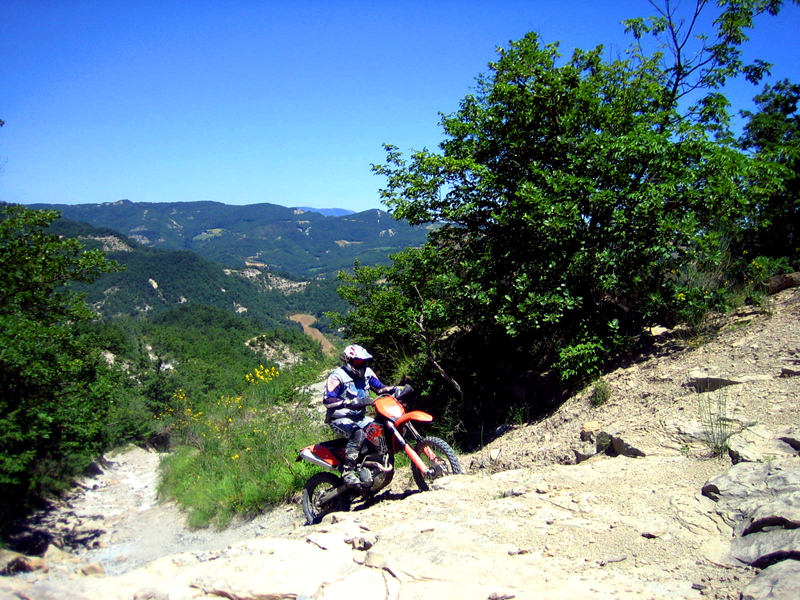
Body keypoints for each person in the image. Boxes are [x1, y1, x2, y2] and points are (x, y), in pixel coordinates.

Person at [323, 344, 395, 488]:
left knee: (378, 428)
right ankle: (348, 472)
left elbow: (380, 388)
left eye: (363, 361)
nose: (361, 364)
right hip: (339, 418)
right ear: (349, 361)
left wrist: (395, 389)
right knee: (358, 434)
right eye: (358, 361)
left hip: (360, 418)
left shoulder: (368, 373)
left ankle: (373, 463)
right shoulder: (337, 376)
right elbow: (327, 400)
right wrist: (345, 402)